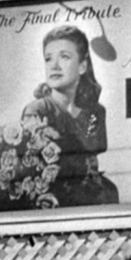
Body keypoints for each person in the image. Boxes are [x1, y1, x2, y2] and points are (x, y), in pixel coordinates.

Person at [20, 25, 119, 207]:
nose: (54, 66)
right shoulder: (37, 110)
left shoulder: (96, 111)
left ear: (82, 66)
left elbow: (95, 147)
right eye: (48, 59)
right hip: (51, 189)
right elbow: (34, 163)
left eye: (64, 57)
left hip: (88, 187)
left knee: (109, 192)